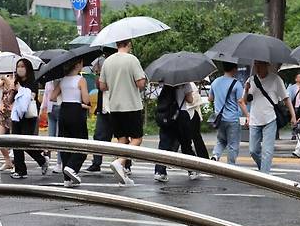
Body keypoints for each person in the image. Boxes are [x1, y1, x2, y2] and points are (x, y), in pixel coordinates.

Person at [99, 39, 146, 186]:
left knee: (122, 140)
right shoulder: (132, 59)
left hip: (115, 106)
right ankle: (119, 162)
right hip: (131, 105)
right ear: (129, 44)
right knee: (137, 138)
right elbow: (140, 83)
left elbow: (102, 86)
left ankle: (123, 174)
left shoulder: (108, 61)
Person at [240, 60, 296, 174]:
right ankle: (264, 171)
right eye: (256, 65)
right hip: (255, 120)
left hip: (270, 119)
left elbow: (286, 98)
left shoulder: (275, 79)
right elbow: (244, 101)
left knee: (267, 151)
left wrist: (293, 116)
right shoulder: (250, 80)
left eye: (260, 65)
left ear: (267, 66)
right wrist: (246, 90)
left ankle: (264, 175)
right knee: (253, 150)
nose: (258, 68)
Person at [50, 59, 91, 187]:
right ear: (78, 64)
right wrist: (86, 102)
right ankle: (72, 167)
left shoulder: (63, 80)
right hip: (76, 111)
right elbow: (85, 99)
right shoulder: (81, 80)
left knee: (65, 143)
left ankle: (66, 178)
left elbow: (52, 97)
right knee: (82, 142)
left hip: (64, 110)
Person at [10, 58, 48, 179]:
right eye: (18, 66)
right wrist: (12, 89)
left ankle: (42, 160)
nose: (20, 69)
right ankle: (20, 170)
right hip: (17, 116)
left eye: (22, 66)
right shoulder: (15, 82)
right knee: (16, 143)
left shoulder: (33, 82)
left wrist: (20, 89)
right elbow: (11, 100)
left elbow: (30, 97)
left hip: (29, 116)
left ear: (28, 68)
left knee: (25, 143)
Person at [154, 83, 197, 182]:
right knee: (186, 144)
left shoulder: (164, 83)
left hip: (167, 115)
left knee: (164, 145)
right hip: (181, 115)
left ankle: (160, 172)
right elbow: (190, 100)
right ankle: (192, 170)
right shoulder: (185, 83)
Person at [208, 62, 243, 165]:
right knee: (233, 144)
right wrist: (247, 115)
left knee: (221, 140)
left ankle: (215, 155)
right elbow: (240, 101)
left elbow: (210, 98)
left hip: (219, 118)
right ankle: (231, 166)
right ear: (234, 69)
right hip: (232, 119)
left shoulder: (215, 82)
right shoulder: (236, 84)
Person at [0, 73, 15, 171]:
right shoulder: (5, 79)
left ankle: (18, 164)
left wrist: (5, 80)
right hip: (2, 112)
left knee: (15, 140)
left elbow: (12, 87)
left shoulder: (17, 79)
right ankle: (8, 161)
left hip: (14, 112)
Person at [40, 79, 62, 173]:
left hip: (60, 107)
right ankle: (46, 160)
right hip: (50, 109)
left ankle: (59, 163)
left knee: (59, 137)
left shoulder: (62, 80)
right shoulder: (48, 82)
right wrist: (42, 108)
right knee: (51, 138)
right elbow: (46, 95)